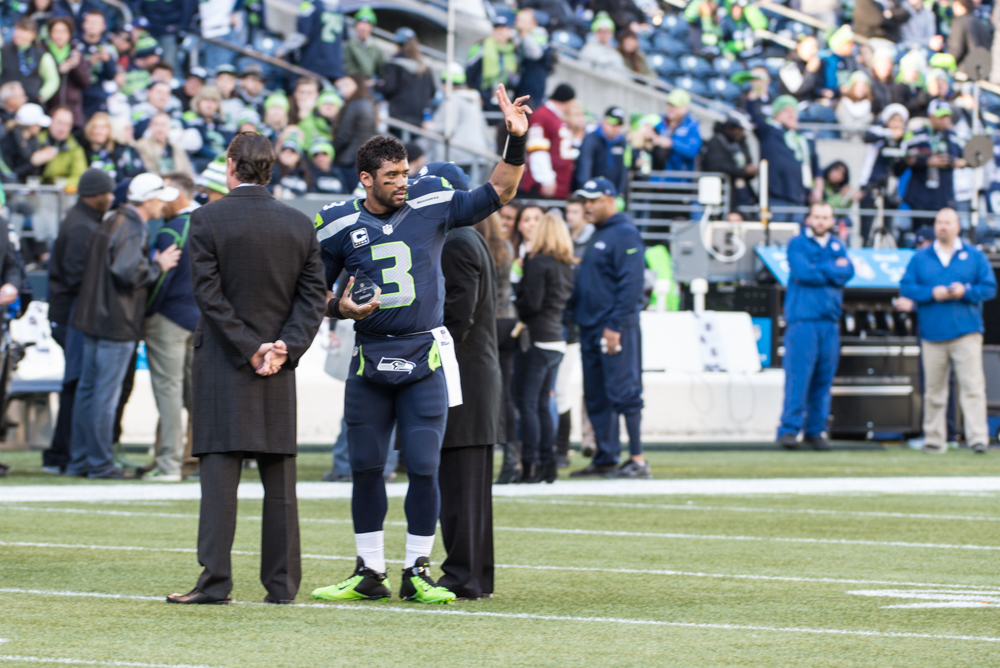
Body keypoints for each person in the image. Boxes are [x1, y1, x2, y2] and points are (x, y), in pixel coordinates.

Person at [310, 84, 529, 604]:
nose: (403, 183)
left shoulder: (431, 203)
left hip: (422, 354)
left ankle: (416, 570)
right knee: (365, 466)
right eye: (391, 177)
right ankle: (368, 570)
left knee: (426, 466)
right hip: (370, 356)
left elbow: (499, 192)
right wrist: (338, 307)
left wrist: (514, 141)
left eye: (405, 173)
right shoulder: (340, 221)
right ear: (365, 179)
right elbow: (309, 289)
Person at [167, 132, 327, 605]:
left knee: (219, 480)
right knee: (279, 482)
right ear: (270, 168)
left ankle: (215, 582)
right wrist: (284, 347)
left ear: (232, 166)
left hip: (223, 361)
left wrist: (249, 347)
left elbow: (208, 296)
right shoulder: (299, 224)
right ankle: (281, 586)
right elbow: (312, 298)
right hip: (279, 363)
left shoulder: (206, 219)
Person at [66, 173, 182, 479]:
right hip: (115, 322)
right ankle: (101, 464)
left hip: (93, 319)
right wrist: (159, 265)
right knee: (104, 396)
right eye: (160, 198)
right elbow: (127, 271)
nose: (162, 205)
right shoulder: (132, 227)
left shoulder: (112, 220)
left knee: (88, 393)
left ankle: (81, 461)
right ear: (148, 200)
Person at [438, 173, 504, 600]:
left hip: (463, 375)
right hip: (475, 374)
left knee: (460, 483)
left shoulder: (458, 240)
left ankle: (463, 574)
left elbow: (457, 314)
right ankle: (475, 573)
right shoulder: (469, 237)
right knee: (470, 486)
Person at [567, 177, 649, 479]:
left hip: (613, 328)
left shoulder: (624, 234)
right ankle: (606, 457)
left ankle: (638, 459)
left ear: (609, 198)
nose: (587, 206)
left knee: (624, 391)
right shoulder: (600, 235)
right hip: (591, 327)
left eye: (592, 200)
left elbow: (632, 286)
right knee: (597, 395)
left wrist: (615, 325)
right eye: (584, 201)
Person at [900, 207, 996, 454]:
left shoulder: (974, 256)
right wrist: (932, 293)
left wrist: (966, 292)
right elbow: (907, 287)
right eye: (939, 222)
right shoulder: (921, 257)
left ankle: (977, 438)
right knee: (934, 391)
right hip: (932, 334)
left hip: (966, 332)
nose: (943, 226)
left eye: (948, 222)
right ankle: (934, 439)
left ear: (957, 226)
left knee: (972, 388)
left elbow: (989, 288)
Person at [42, 168, 114, 474]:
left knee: (75, 384)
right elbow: (76, 277)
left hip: (71, 312)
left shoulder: (83, 221)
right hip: (72, 313)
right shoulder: (80, 227)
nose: (110, 198)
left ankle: (62, 452)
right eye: (107, 192)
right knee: (75, 384)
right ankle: (63, 453)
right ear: (95, 194)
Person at [777, 202, 854, 451]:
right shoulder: (798, 243)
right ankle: (789, 429)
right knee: (799, 377)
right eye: (817, 216)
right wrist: (831, 269)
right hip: (803, 321)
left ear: (832, 221)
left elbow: (848, 271)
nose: (821, 221)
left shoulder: (837, 244)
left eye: (826, 217)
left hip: (829, 322)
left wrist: (817, 269)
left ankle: (815, 429)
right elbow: (803, 272)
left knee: (823, 379)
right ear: (809, 218)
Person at [142, 172, 200, 482]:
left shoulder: (172, 230)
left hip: (168, 321)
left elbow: (160, 281)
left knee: (169, 394)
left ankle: (168, 464)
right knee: (196, 397)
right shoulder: (209, 225)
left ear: (177, 196)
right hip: (201, 320)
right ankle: (192, 462)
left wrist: (146, 314)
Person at [514, 211, 575, 484]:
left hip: (538, 338)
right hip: (557, 339)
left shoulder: (538, 262)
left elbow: (531, 304)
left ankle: (531, 464)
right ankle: (548, 464)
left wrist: (518, 301)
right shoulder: (566, 264)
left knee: (528, 403)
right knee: (542, 403)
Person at [746, 94, 822, 222]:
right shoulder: (769, 131)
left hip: (799, 197)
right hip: (776, 197)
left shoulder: (803, 140)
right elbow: (753, 115)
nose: (792, 115)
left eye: (794, 111)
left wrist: (818, 190)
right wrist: (755, 93)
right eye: (786, 111)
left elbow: (816, 168)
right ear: (776, 114)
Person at [902, 101, 965, 219]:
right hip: (921, 195)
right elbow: (906, 158)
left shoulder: (953, 136)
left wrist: (953, 162)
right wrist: (927, 161)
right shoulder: (918, 134)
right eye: (941, 116)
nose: (945, 120)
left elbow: (964, 158)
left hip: (944, 195)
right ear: (931, 116)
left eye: (947, 116)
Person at [519, 83, 576, 199]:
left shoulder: (554, 116)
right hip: (543, 187)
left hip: (558, 185)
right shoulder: (542, 116)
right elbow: (537, 149)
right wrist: (546, 179)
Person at [377, 28, 436, 132]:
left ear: (397, 44)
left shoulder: (394, 63)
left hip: (398, 117)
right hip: (419, 119)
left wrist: (376, 86)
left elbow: (389, 87)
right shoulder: (424, 67)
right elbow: (432, 91)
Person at [331, 73, 377, 193]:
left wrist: (332, 151)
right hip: (358, 160)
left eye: (347, 85)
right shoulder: (367, 103)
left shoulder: (354, 104)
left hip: (347, 161)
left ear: (358, 85)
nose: (343, 89)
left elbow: (343, 135)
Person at [466, 14, 519, 117]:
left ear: (509, 31)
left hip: (503, 99)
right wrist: (474, 93)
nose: (499, 31)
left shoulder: (513, 51)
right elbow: (469, 73)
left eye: (503, 28)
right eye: (496, 28)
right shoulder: (481, 47)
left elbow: (516, 76)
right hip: (482, 97)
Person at [701, 118, 758, 211]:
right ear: (729, 129)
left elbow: (747, 161)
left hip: (743, 193)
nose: (741, 133)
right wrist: (743, 171)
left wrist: (750, 171)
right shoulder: (716, 142)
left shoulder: (741, 143)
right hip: (724, 194)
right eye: (739, 129)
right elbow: (717, 166)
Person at [1, 18, 59, 105]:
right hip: (5, 105)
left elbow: (52, 80)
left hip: (31, 105)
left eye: (24, 30)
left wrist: (41, 96)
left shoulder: (42, 55)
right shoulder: (3, 52)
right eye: (17, 29)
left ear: (33, 35)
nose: (19, 34)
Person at [43, 16, 89, 126]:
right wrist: (58, 70)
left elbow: (85, 82)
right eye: (56, 31)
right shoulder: (43, 51)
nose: (60, 35)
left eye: (64, 31)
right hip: (49, 106)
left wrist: (75, 66)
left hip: (72, 108)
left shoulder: (76, 52)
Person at [574, 106, 628, 196]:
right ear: (604, 121)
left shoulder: (623, 142)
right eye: (613, 123)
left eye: (619, 124)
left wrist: (621, 193)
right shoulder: (591, 139)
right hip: (592, 192)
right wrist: (586, 192)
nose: (615, 128)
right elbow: (585, 167)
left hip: (612, 194)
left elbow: (624, 169)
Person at [287, 0, 345, 83]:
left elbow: (302, 35)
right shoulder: (339, 9)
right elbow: (344, 39)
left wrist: (282, 50)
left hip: (313, 63)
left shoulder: (309, 5)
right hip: (334, 66)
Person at [649, 90, 703, 173]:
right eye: (669, 104)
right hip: (656, 178)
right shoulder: (659, 120)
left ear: (684, 108)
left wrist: (671, 144)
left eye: (675, 106)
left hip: (680, 180)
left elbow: (692, 151)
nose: (671, 108)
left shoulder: (692, 125)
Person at [1, 102, 55, 182]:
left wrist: (44, 159)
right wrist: (32, 163)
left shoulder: (34, 141)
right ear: (31, 125)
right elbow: (9, 174)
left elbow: (36, 173)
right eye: (38, 124)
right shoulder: (8, 141)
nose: (40, 127)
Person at [78, 10, 118, 119]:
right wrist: (87, 63)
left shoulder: (108, 48)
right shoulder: (75, 45)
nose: (92, 26)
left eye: (96, 23)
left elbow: (112, 76)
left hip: (98, 95)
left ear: (103, 26)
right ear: (83, 24)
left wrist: (107, 60)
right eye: (89, 22)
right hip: (78, 95)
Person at [136, 112, 195, 179]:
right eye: (156, 124)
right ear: (150, 126)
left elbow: (187, 170)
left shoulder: (176, 146)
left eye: (163, 125)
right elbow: (148, 171)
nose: (159, 128)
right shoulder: (141, 145)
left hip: (179, 184)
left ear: (170, 128)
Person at [39, 106, 87, 188]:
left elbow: (80, 176)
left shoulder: (75, 148)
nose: (62, 128)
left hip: (61, 194)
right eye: (59, 123)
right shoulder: (37, 141)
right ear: (50, 122)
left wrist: (61, 183)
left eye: (67, 125)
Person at [343, 5, 384, 81]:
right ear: (355, 25)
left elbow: (381, 71)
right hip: (349, 83)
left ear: (371, 28)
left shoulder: (375, 48)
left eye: (367, 24)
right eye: (360, 23)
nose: (363, 28)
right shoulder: (347, 44)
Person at [949, 0, 991, 72]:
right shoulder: (977, 21)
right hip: (981, 69)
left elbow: (956, 49)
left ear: (959, 3)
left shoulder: (959, 22)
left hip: (964, 70)